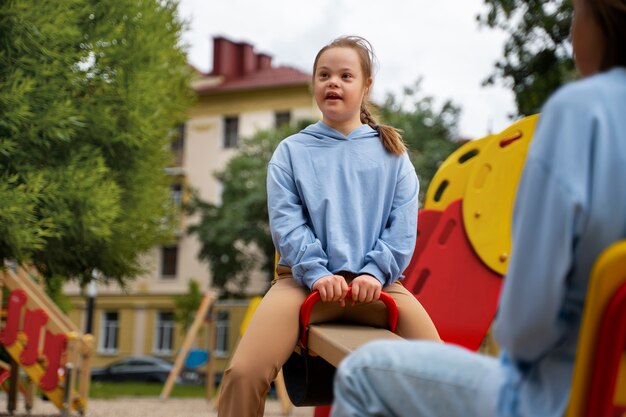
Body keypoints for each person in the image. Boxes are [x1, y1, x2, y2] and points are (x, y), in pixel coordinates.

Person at [330, 0, 626, 416]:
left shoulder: (581, 114)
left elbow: (525, 329)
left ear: (598, 20)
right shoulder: (303, 153)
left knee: (363, 372)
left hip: (562, 396)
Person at [216, 36, 441, 417]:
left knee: (444, 375)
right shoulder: (291, 152)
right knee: (243, 373)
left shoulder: (394, 156)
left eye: (345, 75)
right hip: (303, 283)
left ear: (366, 86)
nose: (333, 82)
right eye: (324, 75)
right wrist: (317, 272)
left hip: (380, 286)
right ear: (314, 85)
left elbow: (402, 228)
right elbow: (287, 224)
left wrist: (374, 272)